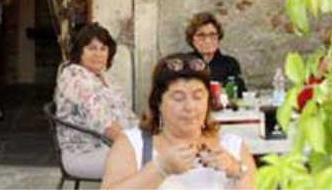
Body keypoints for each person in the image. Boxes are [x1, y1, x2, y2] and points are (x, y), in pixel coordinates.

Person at [102, 53, 256, 189]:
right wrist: (160, 169)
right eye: (178, 98)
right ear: (158, 102)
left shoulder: (232, 145)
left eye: (198, 97)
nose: (190, 107)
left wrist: (237, 172)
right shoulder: (133, 144)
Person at [54, 23, 136, 178]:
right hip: (85, 154)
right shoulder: (75, 77)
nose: (98, 54)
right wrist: (138, 146)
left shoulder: (102, 77)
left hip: (111, 147)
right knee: (151, 163)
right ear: (80, 52)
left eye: (103, 48)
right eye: (91, 48)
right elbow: (104, 123)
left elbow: (126, 115)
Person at [185, 12, 245, 96]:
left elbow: (239, 94)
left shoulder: (230, 64)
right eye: (201, 35)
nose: (208, 40)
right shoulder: (185, 63)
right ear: (192, 39)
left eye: (212, 35)